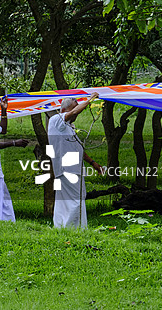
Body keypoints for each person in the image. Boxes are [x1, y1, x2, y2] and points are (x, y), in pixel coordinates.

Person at [47, 94, 104, 229]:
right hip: (67, 169)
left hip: (72, 169)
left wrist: (93, 163)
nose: (76, 114)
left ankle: (62, 227)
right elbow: (73, 112)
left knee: (69, 199)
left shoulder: (68, 127)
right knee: (75, 200)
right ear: (63, 110)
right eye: (74, 109)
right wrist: (90, 100)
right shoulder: (57, 120)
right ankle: (74, 229)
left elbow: (78, 148)